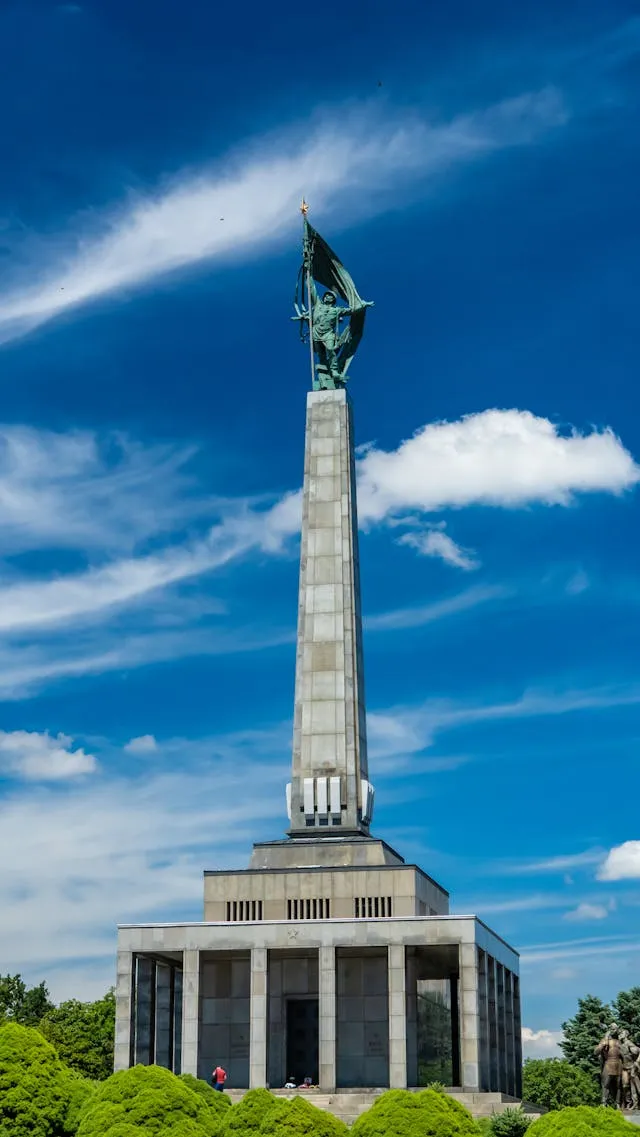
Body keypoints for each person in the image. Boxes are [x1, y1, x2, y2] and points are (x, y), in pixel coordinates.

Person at [595, 1027, 623, 1107]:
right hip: (608, 1063)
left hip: (618, 1064)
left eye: (616, 1029)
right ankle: (604, 1103)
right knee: (606, 1085)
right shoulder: (604, 1041)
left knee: (618, 1086)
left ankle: (617, 1103)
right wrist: (602, 1046)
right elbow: (596, 1052)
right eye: (613, 1029)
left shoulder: (619, 1042)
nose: (615, 1031)